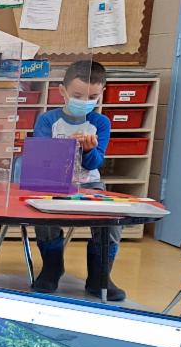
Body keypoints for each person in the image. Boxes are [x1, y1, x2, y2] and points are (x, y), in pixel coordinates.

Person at [30, 59, 124, 301]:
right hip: (54, 184)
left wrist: (88, 150)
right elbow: (40, 159)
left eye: (92, 97)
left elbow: (95, 163)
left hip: (90, 184)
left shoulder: (100, 123)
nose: (85, 102)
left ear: (102, 93)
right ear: (63, 91)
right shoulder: (48, 120)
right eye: (78, 95)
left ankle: (100, 276)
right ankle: (52, 268)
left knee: (111, 220)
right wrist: (65, 148)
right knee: (43, 214)